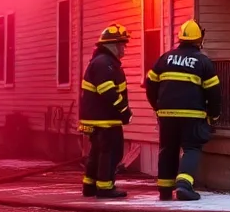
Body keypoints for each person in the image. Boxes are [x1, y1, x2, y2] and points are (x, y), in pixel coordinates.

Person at [145, 19, 222, 201]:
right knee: (191, 148)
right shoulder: (203, 62)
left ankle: (164, 190)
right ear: (199, 41)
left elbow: (150, 85)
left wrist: (157, 106)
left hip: (166, 114)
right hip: (192, 114)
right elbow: (214, 93)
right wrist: (214, 114)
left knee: (167, 149)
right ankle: (184, 186)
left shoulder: (164, 59)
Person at [79, 24, 133, 199]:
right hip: (104, 118)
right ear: (112, 45)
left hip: (98, 117)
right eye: (122, 44)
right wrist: (124, 109)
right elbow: (107, 91)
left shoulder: (102, 62)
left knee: (98, 151)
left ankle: (90, 186)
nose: (124, 48)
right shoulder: (105, 63)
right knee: (112, 151)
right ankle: (105, 187)